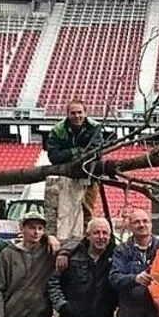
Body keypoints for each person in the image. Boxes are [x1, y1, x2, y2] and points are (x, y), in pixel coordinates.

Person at [43, 100, 109, 240]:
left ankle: (86, 240)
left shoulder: (94, 127)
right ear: (67, 114)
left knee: (87, 212)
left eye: (80, 112)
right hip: (66, 177)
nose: (77, 116)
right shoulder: (58, 130)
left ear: (85, 113)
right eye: (73, 113)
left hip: (89, 175)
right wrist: (77, 151)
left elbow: (96, 152)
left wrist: (69, 155)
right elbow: (54, 156)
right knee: (65, 212)